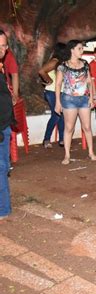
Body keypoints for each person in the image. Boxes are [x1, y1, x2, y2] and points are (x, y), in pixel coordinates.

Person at [55, 40, 96, 165]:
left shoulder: (85, 64)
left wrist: (91, 97)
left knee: (87, 127)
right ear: (72, 50)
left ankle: (91, 152)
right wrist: (58, 102)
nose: (82, 51)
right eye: (79, 48)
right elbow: (58, 85)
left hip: (84, 99)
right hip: (69, 100)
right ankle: (67, 155)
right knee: (69, 128)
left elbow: (89, 81)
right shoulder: (62, 66)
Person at [38, 42, 67, 148]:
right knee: (56, 115)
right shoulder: (55, 61)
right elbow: (41, 71)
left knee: (61, 115)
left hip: (60, 92)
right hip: (52, 92)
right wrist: (49, 80)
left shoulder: (61, 62)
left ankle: (62, 139)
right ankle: (46, 139)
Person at [0, 30, 14, 219]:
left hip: (4, 126)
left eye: (4, 45)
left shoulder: (1, 66)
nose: (2, 49)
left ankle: (3, 208)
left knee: (3, 167)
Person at [0, 30, 19, 104]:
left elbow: (15, 74)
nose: (0, 49)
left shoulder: (9, 55)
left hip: (4, 95)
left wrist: (15, 95)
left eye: (3, 46)